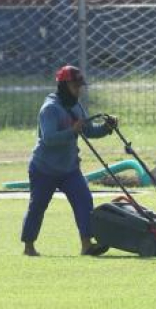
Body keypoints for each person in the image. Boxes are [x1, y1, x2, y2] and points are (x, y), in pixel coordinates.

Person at [21, 65, 117, 257]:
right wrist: (72, 131)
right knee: (38, 206)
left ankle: (86, 245)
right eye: (75, 86)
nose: (79, 90)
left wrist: (106, 128)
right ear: (64, 86)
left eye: (80, 86)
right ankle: (29, 246)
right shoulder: (49, 109)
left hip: (69, 169)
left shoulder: (75, 106)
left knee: (84, 200)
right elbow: (48, 138)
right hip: (44, 169)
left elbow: (88, 131)